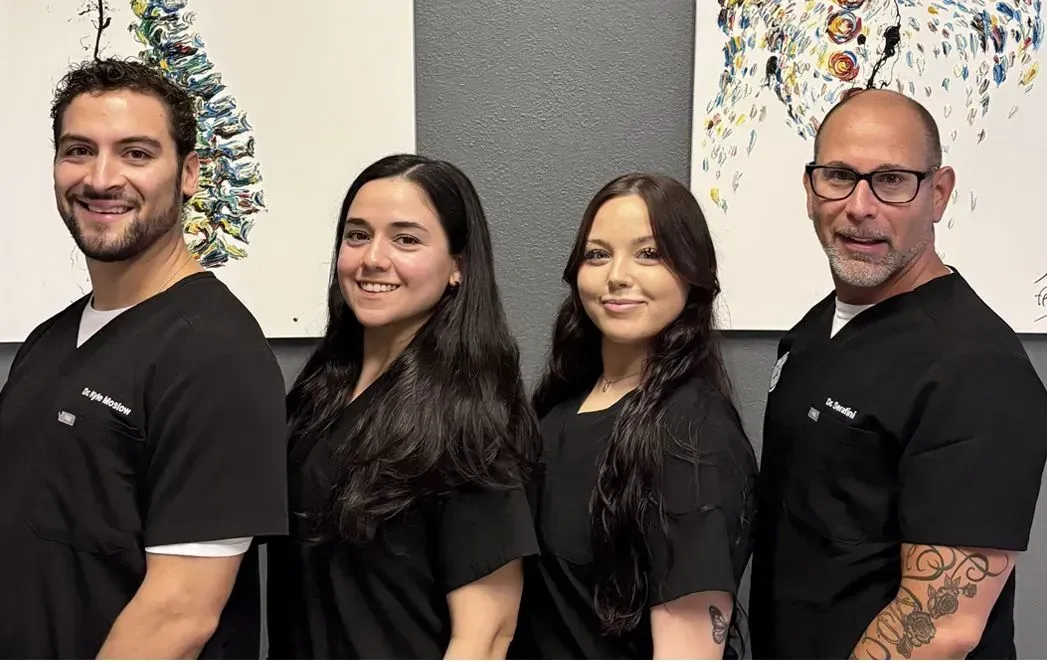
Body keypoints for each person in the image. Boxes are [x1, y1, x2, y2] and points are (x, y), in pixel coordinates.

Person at [0, 58, 288, 658]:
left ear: (188, 175)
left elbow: (179, 616)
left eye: (135, 153)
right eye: (79, 150)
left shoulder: (215, 353)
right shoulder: (48, 342)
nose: (101, 178)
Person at [749, 88, 1047, 659]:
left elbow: (942, 624)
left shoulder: (975, 368)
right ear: (810, 190)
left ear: (938, 194)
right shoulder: (814, 331)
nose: (860, 206)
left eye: (891, 180)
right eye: (839, 175)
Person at [265, 154, 541, 659]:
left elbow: (486, 636)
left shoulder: (470, 419)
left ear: (458, 267)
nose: (373, 258)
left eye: (406, 239)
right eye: (357, 235)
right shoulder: (318, 393)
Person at [509, 173, 759, 659]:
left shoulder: (694, 435)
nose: (616, 275)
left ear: (693, 274)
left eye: (649, 254)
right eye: (598, 254)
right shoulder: (559, 410)